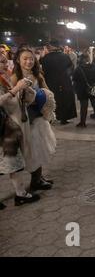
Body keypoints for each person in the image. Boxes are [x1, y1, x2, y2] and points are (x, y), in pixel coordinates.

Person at [12, 48, 55, 192]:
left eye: (31, 58)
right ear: (18, 60)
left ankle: (38, 178)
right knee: (32, 151)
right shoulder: (14, 78)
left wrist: (43, 100)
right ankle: (35, 181)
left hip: (39, 118)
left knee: (40, 149)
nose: (28, 61)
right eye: (25, 58)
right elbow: (12, 100)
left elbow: (48, 93)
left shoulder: (38, 75)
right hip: (25, 120)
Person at [1, 54, 40, 207]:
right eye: (2, 62)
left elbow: (19, 100)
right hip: (5, 129)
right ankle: (21, 194)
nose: (6, 64)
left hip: (12, 127)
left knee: (13, 163)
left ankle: (21, 193)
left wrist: (26, 89)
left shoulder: (6, 77)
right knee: (11, 162)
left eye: (6, 61)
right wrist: (16, 88)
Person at [40, 40, 77, 125]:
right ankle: (64, 119)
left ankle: (52, 118)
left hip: (51, 82)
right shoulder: (64, 56)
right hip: (64, 81)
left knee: (53, 100)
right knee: (65, 100)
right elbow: (71, 67)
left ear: (51, 47)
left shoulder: (45, 58)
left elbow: (42, 71)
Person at [72, 53, 95, 127]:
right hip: (94, 88)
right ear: (88, 59)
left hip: (82, 89)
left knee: (83, 106)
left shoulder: (78, 68)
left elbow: (74, 79)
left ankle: (83, 122)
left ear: (81, 59)